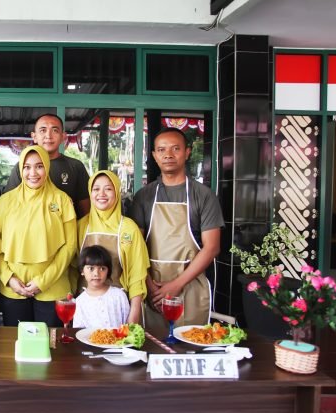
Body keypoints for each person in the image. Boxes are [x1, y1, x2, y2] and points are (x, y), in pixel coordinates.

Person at [130, 127, 224, 333]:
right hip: (152, 287)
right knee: (151, 344)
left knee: (190, 342)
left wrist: (176, 284)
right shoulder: (144, 196)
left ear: (187, 152)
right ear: (154, 155)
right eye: (161, 150)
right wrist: (151, 286)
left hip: (190, 286)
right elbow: (135, 247)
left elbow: (212, 247)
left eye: (175, 148)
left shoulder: (203, 195)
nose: (168, 155)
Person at [0, 145, 77, 327]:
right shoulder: (6, 200)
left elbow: (70, 246)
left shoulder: (61, 200)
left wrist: (43, 281)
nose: (33, 173)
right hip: (14, 288)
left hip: (53, 288)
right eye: (27, 167)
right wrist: (9, 278)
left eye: (39, 166)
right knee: (16, 342)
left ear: (47, 167)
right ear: (20, 169)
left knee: (52, 342)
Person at [76, 170, 149, 324]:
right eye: (96, 189)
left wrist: (134, 312)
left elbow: (137, 274)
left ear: (117, 192)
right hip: (85, 306)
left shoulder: (129, 228)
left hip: (118, 306)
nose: (101, 194)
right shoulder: (81, 226)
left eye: (108, 189)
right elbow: (71, 269)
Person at [4, 113, 90, 218]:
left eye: (55, 130)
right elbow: (9, 204)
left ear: (63, 137)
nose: (48, 136)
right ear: (34, 136)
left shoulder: (76, 166)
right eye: (43, 130)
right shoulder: (22, 167)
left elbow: (86, 211)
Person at [72, 245, 130, 329]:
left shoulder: (119, 295)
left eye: (102, 268)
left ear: (108, 271)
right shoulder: (80, 302)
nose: (96, 274)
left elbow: (128, 326)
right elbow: (78, 331)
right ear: (82, 270)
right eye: (91, 268)